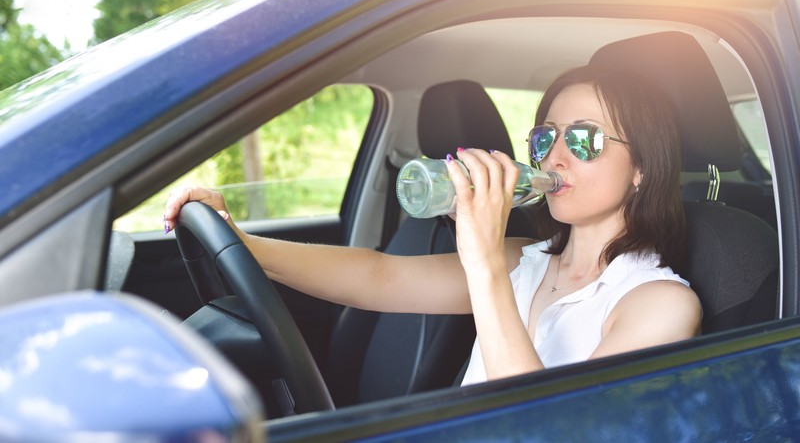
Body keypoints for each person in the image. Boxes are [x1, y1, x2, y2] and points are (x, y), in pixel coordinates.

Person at [163, 65, 702, 386]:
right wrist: (239, 242)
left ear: (641, 170)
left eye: (584, 140)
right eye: (545, 137)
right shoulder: (527, 258)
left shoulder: (659, 304)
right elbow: (380, 278)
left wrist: (484, 262)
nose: (555, 156)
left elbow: (547, 425)